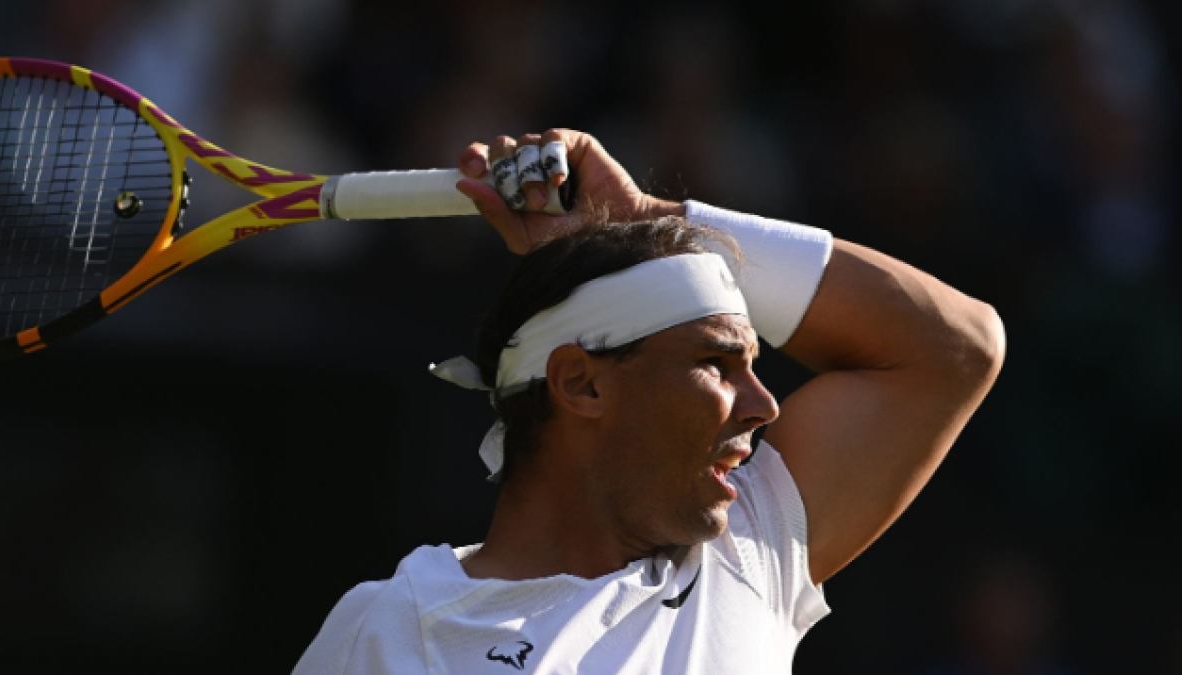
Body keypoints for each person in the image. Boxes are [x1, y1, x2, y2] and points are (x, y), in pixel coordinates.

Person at [291, 129, 1005, 674]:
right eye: (717, 364)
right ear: (582, 383)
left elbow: (958, 346)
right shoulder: (388, 631)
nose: (765, 404)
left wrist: (647, 216)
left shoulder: (747, 551)